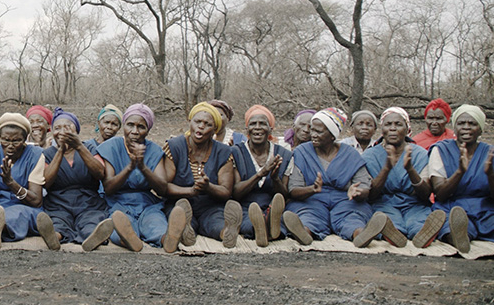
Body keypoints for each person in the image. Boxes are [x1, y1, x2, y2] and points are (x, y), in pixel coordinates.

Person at [281, 108, 386, 248]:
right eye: (313, 130)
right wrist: (312, 189)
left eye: (319, 132)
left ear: (332, 135)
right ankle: (304, 233)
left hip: (345, 200)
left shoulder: (350, 154)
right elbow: (293, 189)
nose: (313, 134)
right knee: (307, 216)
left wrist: (358, 192)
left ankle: (361, 235)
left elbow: (364, 186)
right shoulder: (302, 152)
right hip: (312, 200)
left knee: (352, 217)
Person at [163, 102, 242, 251]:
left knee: (215, 221)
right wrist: (190, 191)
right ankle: (185, 229)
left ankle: (226, 233)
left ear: (214, 130)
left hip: (210, 205)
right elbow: (165, 186)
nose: (201, 126)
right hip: (180, 201)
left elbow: (226, 191)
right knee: (180, 214)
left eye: (207, 124)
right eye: (197, 121)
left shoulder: (224, 152)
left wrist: (208, 187)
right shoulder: (174, 146)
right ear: (190, 122)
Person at [427, 104, 494, 253]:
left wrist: (490, 176)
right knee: (450, 225)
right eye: (461, 123)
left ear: (480, 129)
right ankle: (459, 237)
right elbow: (440, 193)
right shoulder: (441, 150)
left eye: (472, 123)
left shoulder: (493, 154)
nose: (466, 127)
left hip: (486, 210)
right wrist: (460, 172)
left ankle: (466, 234)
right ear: (455, 128)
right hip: (452, 207)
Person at [362, 107, 444, 248]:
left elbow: (425, 195)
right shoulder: (370, 155)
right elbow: (371, 195)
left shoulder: (419, 154)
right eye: (388, 125)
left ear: (407, 129)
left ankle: (422, 235)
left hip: (414, 204)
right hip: (384, 203)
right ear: (382, 130)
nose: (393, 128)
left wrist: (410, 169)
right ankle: (393, 233)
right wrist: (386, 168)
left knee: (418, 222)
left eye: (398, 124)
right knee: (387, 220)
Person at [39, 108, 114, 251]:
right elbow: (46, 182)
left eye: (67, 127)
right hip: (58, 202)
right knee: (58, 221)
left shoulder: (89, 148)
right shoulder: (48, 153)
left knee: (90, 220)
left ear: (76, 131)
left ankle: (92, 237)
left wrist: (78, 147)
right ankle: (54, 237)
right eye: (57, 128)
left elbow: (100, 173)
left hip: (88, 201)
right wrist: (61, 150)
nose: (62, 131)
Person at [97, 103, 169, 252]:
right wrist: (131, 166)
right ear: (124, 125)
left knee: (156, 223)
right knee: (120, 224)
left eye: (141, 127)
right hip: (117, 202)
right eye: (130, 125)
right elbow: (109, 188)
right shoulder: (111, 147)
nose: (135, 131)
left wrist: (142, 166)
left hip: (146, 202)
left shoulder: (154, 150)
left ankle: (167, 239)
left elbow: (162, 188)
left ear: (148, 130)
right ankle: (129, 240)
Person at [0, 113, 47, 250]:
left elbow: (36, 201)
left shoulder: (35, 155)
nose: (10, 146)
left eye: (16, 141)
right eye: (5, 140)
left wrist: (11, 183)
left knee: (15, 214)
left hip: (24, 206)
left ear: (25, 140)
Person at [231, 105, 291, 247]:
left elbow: (285, 196)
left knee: (284, 219)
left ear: (271, 129)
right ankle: (263, 228)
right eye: (253, 124)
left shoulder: (284, 154)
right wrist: (261, 174)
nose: (257, 127)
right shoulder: (235, 152)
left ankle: (269, 224)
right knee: (246, 221)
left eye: (262, 124)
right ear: (247, 130)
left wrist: (275, 178)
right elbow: (236, 193)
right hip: (246, 206)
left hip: (273, 205)